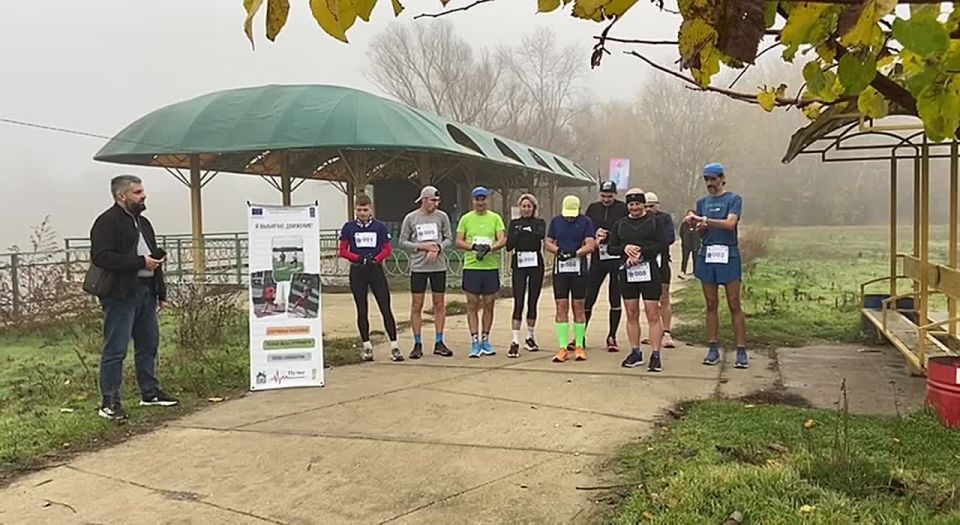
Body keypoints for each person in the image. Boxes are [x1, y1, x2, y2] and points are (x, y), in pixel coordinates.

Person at [89, 175, 178, 420]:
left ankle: (150, 393)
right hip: (120, 294)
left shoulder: (144, 222)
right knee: (116, 349)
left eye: (142, 191)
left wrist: (161, 292)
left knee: (149, 344)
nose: (143, 196)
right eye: (137, 192)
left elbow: (153, 261)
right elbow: (101, 256)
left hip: (146, 291)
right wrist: (140, 262)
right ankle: (110, 401)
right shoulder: (106, 222)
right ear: (122, 196)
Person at [685, 163, 749, 369]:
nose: (710, 183)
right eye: (706, 179)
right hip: (708, 253)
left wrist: (704, 219)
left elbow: (731, 224)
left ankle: (741, 349)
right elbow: (703, 230)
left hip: (728, 254)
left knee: (734, 302)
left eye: (713, 179)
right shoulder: (702, 202)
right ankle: (712, 347)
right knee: (711, 303)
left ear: (722, 179)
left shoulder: (734, 199)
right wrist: (698, 227)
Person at [607, 188, 667, 372]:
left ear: (644, 205)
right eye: (631, 204)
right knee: (631, 313)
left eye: (638, 204)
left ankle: (656, 354)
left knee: (652, 314)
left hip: (649, 271)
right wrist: (625, 249)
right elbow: (611, 248)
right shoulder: (620, 224)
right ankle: (635, 352)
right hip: (628, 273)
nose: (634, 208)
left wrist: (641, 252)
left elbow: (662, 244)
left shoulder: (654, 222)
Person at [338, 193, 403, 362]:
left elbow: (387, 249)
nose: (362, 213)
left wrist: (376, 259)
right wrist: (359, 258)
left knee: (385, 307)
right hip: (358, 270)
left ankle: (394, 346)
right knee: (362, 309)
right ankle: (367, 346)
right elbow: (343, 250)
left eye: (365, 210)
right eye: (359, 210)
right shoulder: (349, 227)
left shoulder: (379, 227)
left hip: (375, 270)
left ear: (370, 209)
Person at [398, 185, 455, 359]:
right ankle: (417, 343)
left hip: (438, 266)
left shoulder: (442, 217)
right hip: (419, 267)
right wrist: (421, 247)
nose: (435, 204)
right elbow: (402, 241)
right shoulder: (411, 218)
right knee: (417, 304)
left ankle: (439, 341)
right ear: (424, 199)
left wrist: (438, 247)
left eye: (437, 201)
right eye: (433, 200)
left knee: (439, 303)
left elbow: (449, 239)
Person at [456, 186, 507, 358]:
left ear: (487, 200)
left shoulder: (495, 218)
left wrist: (490, 248)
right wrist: (474, 247)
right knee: (472, 303)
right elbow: (458, 241)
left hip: (490, 267)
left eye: (483, 199)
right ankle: (474, 340)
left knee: (489, 303)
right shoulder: (466, 219)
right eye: (477, 199)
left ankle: (485, 338)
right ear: (473, 200)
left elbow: (502, 239)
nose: (480, 202)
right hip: (472, 266)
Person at [546, 195, 597, 362]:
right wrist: (558, 251)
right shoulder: (556, 221)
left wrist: (575, 253)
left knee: (579, 306)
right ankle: (562, 348)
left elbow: (590, 245)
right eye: (567, 214)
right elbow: (548, 243)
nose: (569, 217)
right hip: (560, 270)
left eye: (572, 214)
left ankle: (579, 345)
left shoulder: (586, 222)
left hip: (579, 269)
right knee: (561, 306)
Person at [583, 180, 629, 352]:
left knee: (614, 297)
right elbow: (586, 228)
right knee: (589, 296)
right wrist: (594, 235)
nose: (606, 200)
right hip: (598, 257)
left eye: (610, 197)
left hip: (616, 257)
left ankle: (612, 336)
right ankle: (581, 334)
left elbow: (626, 230)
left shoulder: (622, 209)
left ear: (615, 195)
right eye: (603, 196)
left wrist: (611, 235)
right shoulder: (593, 208)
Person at [505, 193, 546, 358]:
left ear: (534, 208)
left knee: (533, 300)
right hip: (520, 264)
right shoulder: (514, 224)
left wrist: (526, 231)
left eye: (529, 206)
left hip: (535, 263)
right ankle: (515, 340)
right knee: (519, 300)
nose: (526, 209)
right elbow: (509, 245)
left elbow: (540, 234)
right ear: (519, 208)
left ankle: (530, 336)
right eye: (523, 206)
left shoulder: (539, 222)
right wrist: (519, 232)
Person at [642, 192, 677, 349]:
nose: (649, 209)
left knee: (664, 297)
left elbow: (669, 238)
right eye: (646, 206)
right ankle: (654, 332)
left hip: (661, 262)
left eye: (652, 206)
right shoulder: (639, 219)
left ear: (657, 205)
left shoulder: (665, 218)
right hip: (645, 264)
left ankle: (667, 332)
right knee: (650, 301)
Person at [679, 208, 700, 276]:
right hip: (686, 243)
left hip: (695, 243)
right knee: (685, 258)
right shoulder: (684, 224)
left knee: (695, 258)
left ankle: (695, 271)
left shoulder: (697, 224)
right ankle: (683, 271)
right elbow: (681, 233)